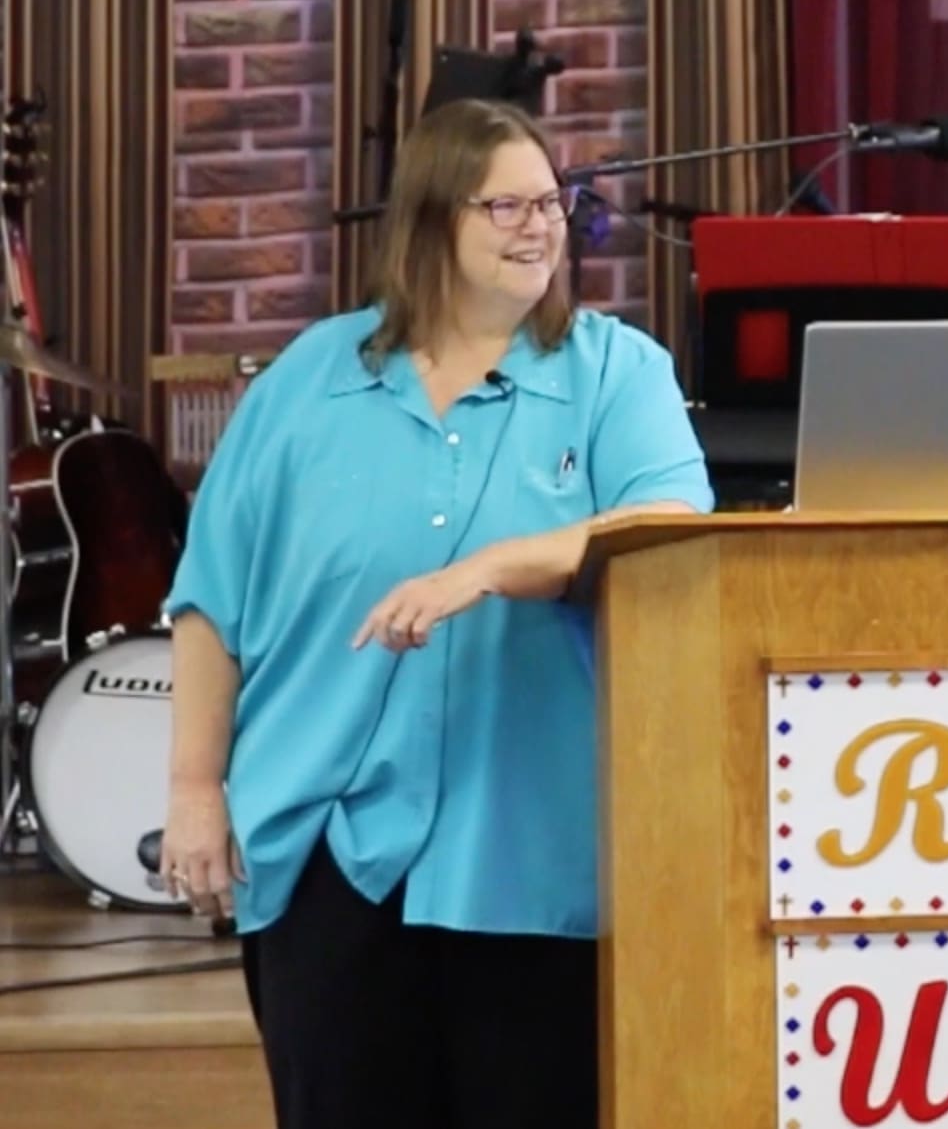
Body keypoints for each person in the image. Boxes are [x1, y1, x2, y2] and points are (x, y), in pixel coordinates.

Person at [159, 97, 713, 1129]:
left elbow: (665, 524)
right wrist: (195, 785)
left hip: (531, 844)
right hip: (323, 844)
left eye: (551, 200)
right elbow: (210, 596)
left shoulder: (613, 372)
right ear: (428, 219)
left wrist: (495, 565)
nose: (539, 224)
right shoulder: (306, 381)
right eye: (505, 203)